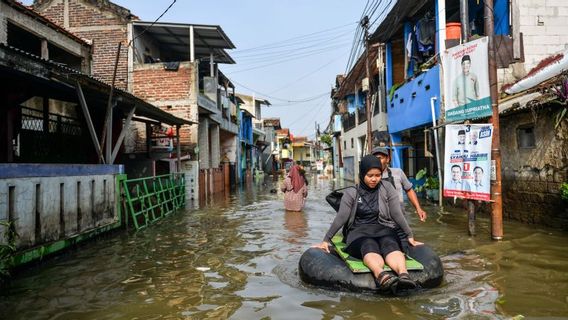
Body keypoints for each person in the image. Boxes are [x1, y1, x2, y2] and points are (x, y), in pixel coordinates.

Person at [313, 155, 423, 293]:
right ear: (362, 174)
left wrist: (409, 235)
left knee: (390, 243)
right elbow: (342, 217)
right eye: (370, 175)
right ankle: (381, 275)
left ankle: (403, 275)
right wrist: (326, 240)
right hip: (358, 232)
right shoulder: (352, 192)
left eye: (378, 175)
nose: (374, 179)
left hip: (383, 228)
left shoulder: (387, 187)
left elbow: (397, 213)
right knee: (368, 244)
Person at [371, 147, 427, 222]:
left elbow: (409, 190)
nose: (377, 161)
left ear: (387, 159)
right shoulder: (369, 177)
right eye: (374, 159)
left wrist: (418, 209)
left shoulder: (398, 172)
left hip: (399, 217)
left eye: (380, 158)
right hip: (378, 219)